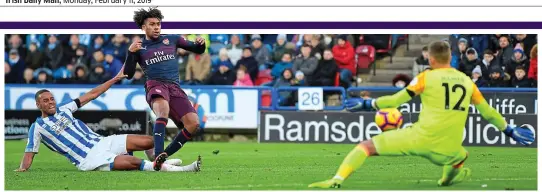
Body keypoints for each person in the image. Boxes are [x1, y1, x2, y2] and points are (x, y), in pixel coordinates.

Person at [309, 41, 534, 188]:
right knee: (462, 156)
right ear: (450, 58)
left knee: (365, 147)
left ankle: (337, 180)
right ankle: (446, 180)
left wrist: (369, 104)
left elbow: (396, 100)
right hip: (448, 148)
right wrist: (510, 130)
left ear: (431, 60)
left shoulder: (427, 77)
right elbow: (488, 113)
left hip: (417, 139)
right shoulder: (467, 81)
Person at [15, 68, 201, 172]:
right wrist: (22, 169)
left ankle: (158, 161)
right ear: (38, 105)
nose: (50, 102)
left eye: (51, 99)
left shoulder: (65, 108)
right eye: (45, 101)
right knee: (134, 164)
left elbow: (92, 94)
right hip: (88, 158)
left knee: (149, 141)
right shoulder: (37, 127)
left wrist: (115, 79)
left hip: (102, 141)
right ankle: (180, 169)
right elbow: (30, 153)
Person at [123, 8, 207, 171]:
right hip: (155, 85)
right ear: (143, 27)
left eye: (158, 24)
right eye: (152, 24)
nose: (156, 27)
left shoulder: (172, 39)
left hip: (174, 87)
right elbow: (128, 74)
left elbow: (197, 49)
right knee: (163, 111)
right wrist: (130, 53)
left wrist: (200, 44)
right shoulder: (138, 47)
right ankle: (158, 154)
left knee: (193, 123)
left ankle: (163, 157)